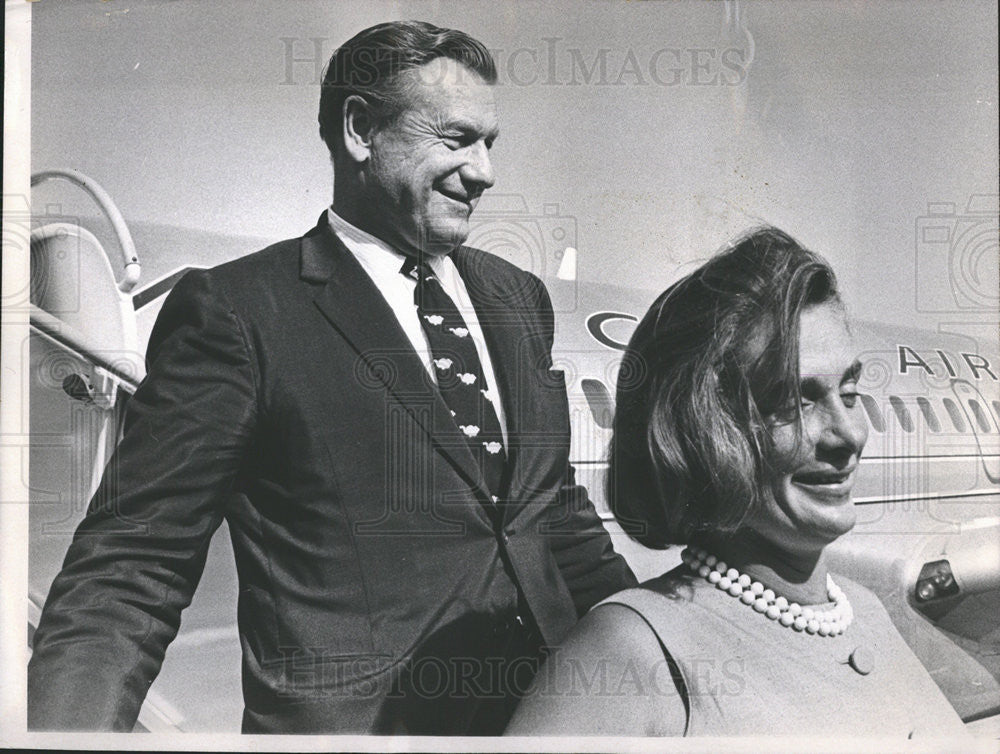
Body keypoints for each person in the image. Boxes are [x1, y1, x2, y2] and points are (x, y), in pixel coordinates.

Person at [28, 20, 635, 735]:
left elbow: (551, 511)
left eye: (489, 143)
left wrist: (658, 662)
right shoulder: (238, 313)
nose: (485, 172)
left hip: (555, 722)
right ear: (360, 130)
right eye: (456, 139)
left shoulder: (516, 297)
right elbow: (130, 571)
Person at [505, 228, 968, 737]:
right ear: (701, 434)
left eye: (851, 391)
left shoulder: (869, 612)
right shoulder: (627, 656)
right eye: (794, 401)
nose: (850, 434)